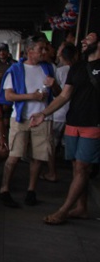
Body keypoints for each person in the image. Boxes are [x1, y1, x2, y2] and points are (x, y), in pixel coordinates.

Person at [31, 32, 100, 224]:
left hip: (94, 124)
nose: (84, 41)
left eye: (90, 38)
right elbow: (64, 96)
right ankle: (81, 207)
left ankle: (63, 210)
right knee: (78, 168)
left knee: (82, 167)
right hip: (73, 122)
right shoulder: (77, 67)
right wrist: (43, 113)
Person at [0, 37, 60, 207]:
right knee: (14, 155)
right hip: (20, 118)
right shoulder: (15, 69)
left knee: (38, 156)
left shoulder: (49, 68)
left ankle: (31, 191)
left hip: (43, 118)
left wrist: (54, 86)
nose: (45, 52)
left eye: (45, 49)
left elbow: (60, 93)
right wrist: (31, 96)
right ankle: (4, 189)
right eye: (41, 49)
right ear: (30, 51)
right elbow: (8, 96)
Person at [40, 43, 78, 182]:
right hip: (71, 113)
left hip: (58, 112)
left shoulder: (60, 71)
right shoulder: (78, 70)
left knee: (51, 144)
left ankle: (51, 172)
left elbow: (59, 94)